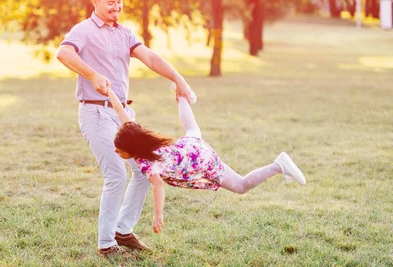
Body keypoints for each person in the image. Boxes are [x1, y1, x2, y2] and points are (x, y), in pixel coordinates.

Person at [56, 0, 193, 258]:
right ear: (95, 1)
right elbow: (63, 53)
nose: (116, 7)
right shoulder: (83, 30)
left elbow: (150, 58)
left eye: (119, 2)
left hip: (124, 114)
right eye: (110, 3)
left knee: (145, 170)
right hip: (96, 111)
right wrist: (92, 74)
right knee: (117, 175)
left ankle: (123, 230)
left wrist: (179, 79)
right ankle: (106, 245)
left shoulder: (124, 33)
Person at [106, 87, 306, 235]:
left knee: (241, 185)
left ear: (132, 150)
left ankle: (278, 166)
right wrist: (109, 92)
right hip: (191, 147)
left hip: (201, 162)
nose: (116, 151)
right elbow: (122, 114)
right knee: (192, 130)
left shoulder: (146, 161)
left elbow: (158, 185)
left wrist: (158, 214)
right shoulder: (136, 134)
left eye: (119, 150)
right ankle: (182, 95)